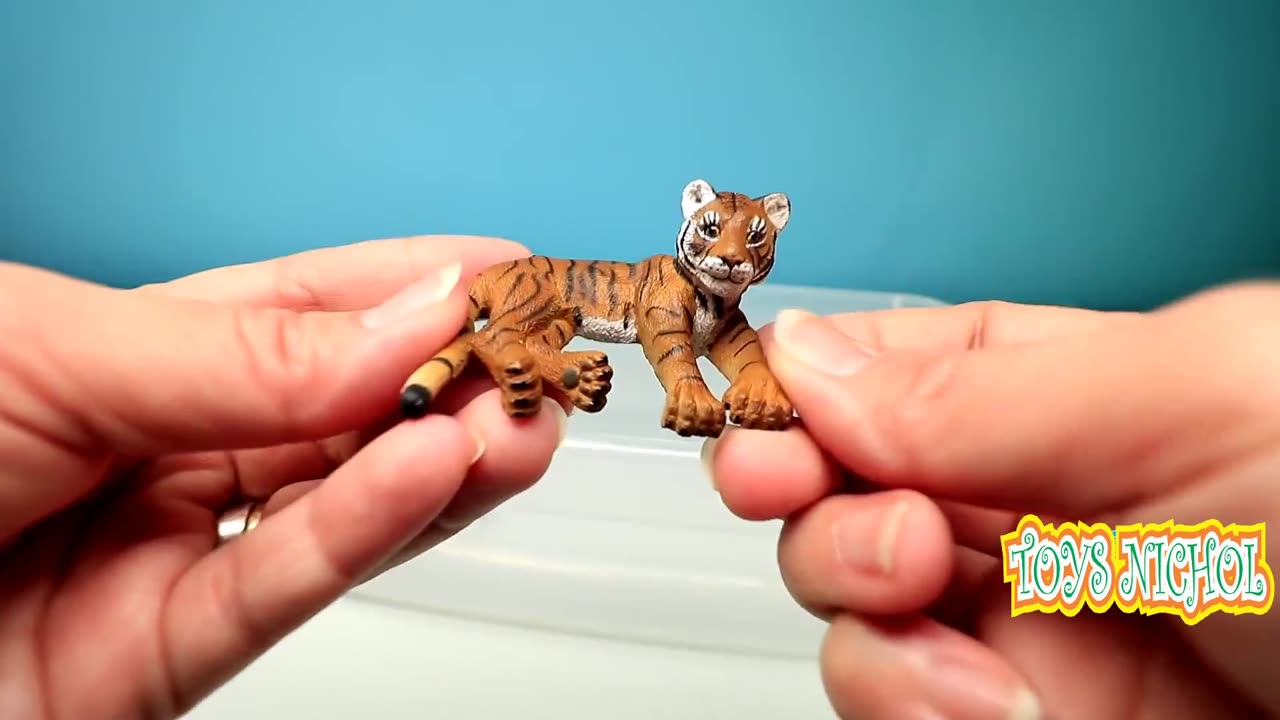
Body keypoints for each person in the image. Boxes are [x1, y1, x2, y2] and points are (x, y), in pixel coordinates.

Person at [0, 235, 1274, 719]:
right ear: (690, 222)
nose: (739, 254)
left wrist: (1199, 565)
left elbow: (726, 357)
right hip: (551, 315)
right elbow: (687, 356)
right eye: (722, 234)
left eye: (754, 239)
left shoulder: (746, 317)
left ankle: (496, 364)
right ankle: (498, 363)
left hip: (1173, 594)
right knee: (530, 362)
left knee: (921, 555)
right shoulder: (678, 299)